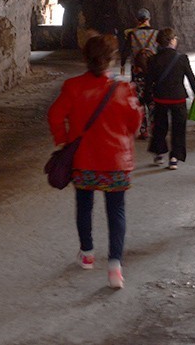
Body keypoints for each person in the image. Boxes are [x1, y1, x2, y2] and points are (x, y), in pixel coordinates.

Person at [47, 34, 143, 289]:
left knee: (84, 204)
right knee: (116, 211)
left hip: (84, 159)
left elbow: (55, 115)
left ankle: (87, 254)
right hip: (116, 161)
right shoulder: (123, 88)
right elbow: (135, 122)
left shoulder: (72, 86)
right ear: (110, 60)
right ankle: (115, 267)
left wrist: (65, 139)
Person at [144, 27, 195, 169]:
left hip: (160, 98)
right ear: (171, 41)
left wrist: (146, 97)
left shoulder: (153, 59)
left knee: (160, 127)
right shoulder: (182, 58)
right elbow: (191, 78)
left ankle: (159, 153)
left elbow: (148, 81)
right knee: (178, 129)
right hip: (178, 98)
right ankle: (174, 157)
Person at [120, 9, 158, 139]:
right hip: (153, 72)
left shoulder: (132, 34)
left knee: (140, 101)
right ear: (149, 19)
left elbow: (125, 51)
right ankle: (154, 127)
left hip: (138, 72)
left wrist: (122, 64)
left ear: (137, 19)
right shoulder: (156, 33)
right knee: (153, 101)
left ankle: (144, 130)